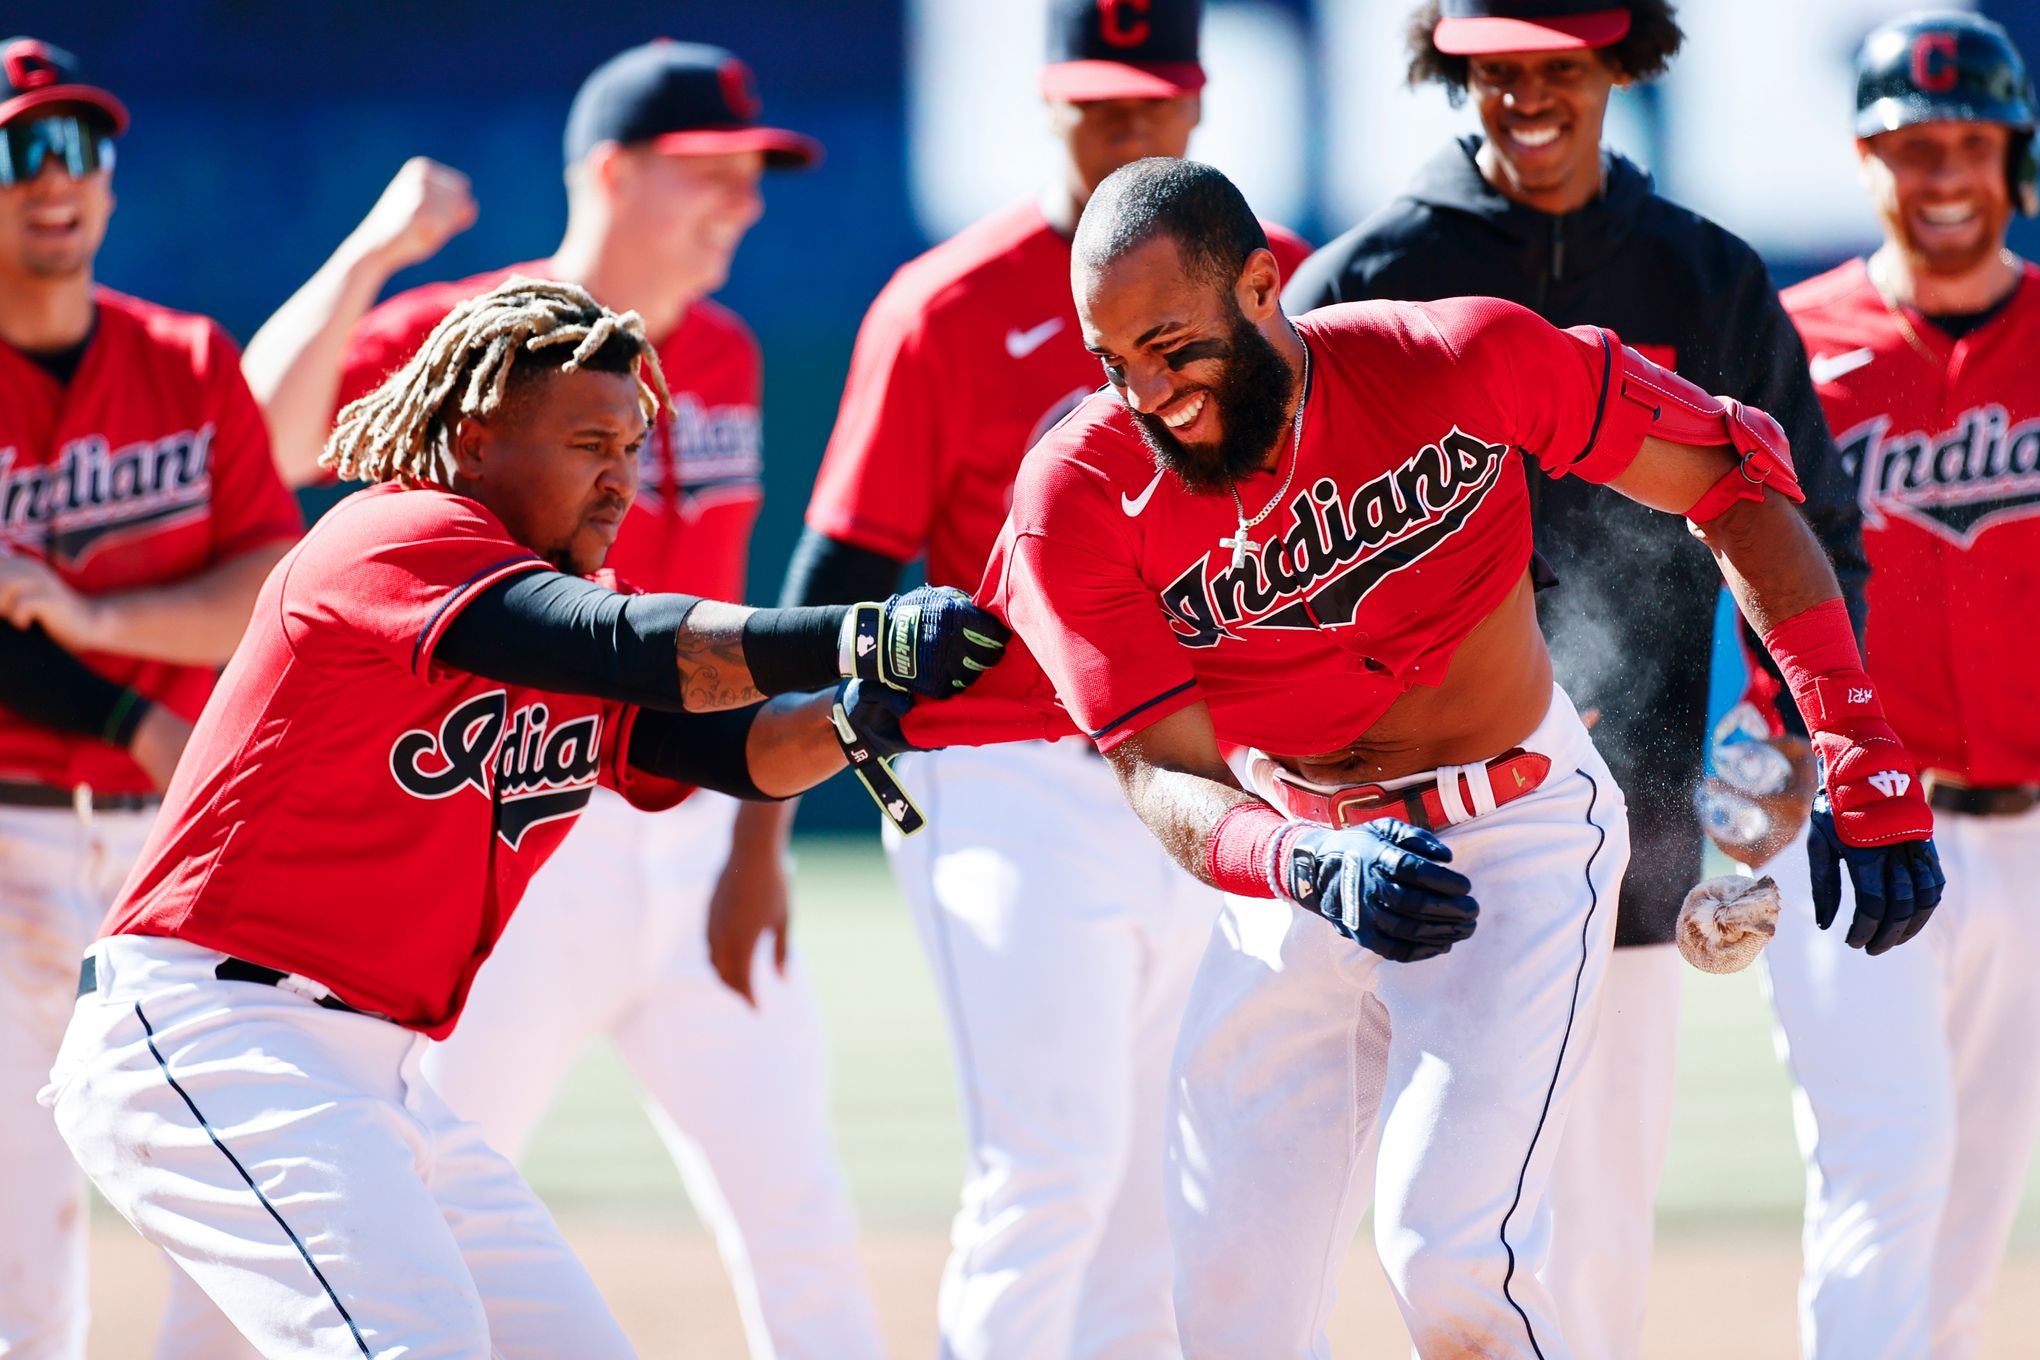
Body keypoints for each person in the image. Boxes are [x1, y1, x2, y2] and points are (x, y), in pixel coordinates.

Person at [904, 155, 1944, 1359]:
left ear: (1259, 284)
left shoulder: (1453, 359)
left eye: (1172, 344)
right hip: (1294, 851)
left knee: (1452, 1257)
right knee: (1228, 1301)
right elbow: (1158, 774)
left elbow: (1733, 480)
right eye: (1112, 361)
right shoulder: (1077, 492)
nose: (1146, 390)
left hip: (1515, 831)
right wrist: (1302, 862)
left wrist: (1857, 741)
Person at [40, 276, 1006, 1359]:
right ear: (473, 437)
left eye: (633, 446)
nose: (621, 480)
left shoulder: (559, 610)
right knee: (419, 1340)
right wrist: (858, 632)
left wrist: (865, 713)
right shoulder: (395, 537)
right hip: (213, 1034)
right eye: (589, 441)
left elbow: (740, 751)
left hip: (376, 1071)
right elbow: (627, 644)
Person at [204, 41, 887, 1360]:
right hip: (518, 827)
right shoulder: (480, 343)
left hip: (690, 825)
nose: (743, 206)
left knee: (799, 1216)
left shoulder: (729, 353)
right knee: (430, 1198)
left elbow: (725, 616)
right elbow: (264, 440)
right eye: (713, 175)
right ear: (612, 172)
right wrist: (370, 259)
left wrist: (759, 847)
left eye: (754, 178)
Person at [1280, 4, 1868, 1352]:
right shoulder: (1371, 272)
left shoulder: (1704, 276)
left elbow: (1815, 535)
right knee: (1340, 1231)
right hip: (1398, 829)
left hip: (1638, 843)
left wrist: (1779, 762)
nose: (1530, 97)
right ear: (1453, 71)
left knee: (1590, 1256)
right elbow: (1261, 559)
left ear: (1621, 62)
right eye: (1498, 71)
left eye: (1563, 64)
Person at [771, 1, 1307, 1353]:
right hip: (1006, 772)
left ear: (1197, 100)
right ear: (1045, 100)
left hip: (1202, 771)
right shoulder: (947, 305)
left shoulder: (1272, 286)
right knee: (1053, 1165)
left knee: (1155, 1191)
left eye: (1150, 95)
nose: (1126, 121)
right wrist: (768, 802)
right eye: (1096, 97)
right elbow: (827, 591)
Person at [0, 36, 304, 1358]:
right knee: (21, 1243)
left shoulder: (185, 358)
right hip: (8, 835)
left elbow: (268, 580)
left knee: (232, 1208)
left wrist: (100, 618)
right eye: (20, 148)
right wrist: (133, 708)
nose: (55, 177)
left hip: (178, 855)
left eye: (80, 146)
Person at [1760, 13, 2040, 1358]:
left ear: (2015, 157)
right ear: (1866, 157)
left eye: (1971, 145)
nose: (1943, 176)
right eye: (1910, 145)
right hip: (1857, 826)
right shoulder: (1792, 343)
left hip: (2035, 831)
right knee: (1885, 1175)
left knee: (1975, 1217)